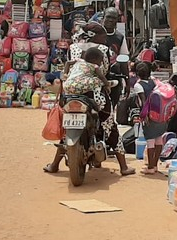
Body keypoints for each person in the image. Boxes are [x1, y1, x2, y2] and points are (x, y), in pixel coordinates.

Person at [43, 22, 135, 176]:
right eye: (103, 36)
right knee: (110, 126)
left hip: (70, 94)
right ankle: (124, 167)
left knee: (67, 128)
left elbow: (67, 69)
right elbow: (104, 71)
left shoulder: (72, 48)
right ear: (96, 36)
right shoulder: (103, 50)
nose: (105, 39)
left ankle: (54, 165)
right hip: (94, 95)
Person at [134, 62, 165, 175]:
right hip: (160, 114)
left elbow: (143, 102)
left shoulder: (138, 86)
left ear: (137, 74)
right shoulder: (155, 82)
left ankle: (150, 167)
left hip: (149, 115)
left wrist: (144, 115)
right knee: (159, 139)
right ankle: (155, 165)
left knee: (150, 141)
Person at [102, 7, 130, 102]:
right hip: (98, 77)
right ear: (103, 17)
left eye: (113, 18)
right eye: (108, 17)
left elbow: (124, 61)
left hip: (114, 77)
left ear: (117, 20)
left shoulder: (120, 37)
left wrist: (127, 82)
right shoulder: (96, 34)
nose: (110, 20)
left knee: (114, 104)